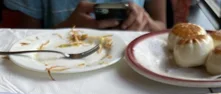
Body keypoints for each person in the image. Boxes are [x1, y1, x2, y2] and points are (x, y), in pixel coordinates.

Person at [3, 0, 166, 31]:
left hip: (131, 71)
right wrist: (67, 29)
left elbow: (161, 27)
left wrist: (146, 23)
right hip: (58, 73)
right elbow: (23, 40)